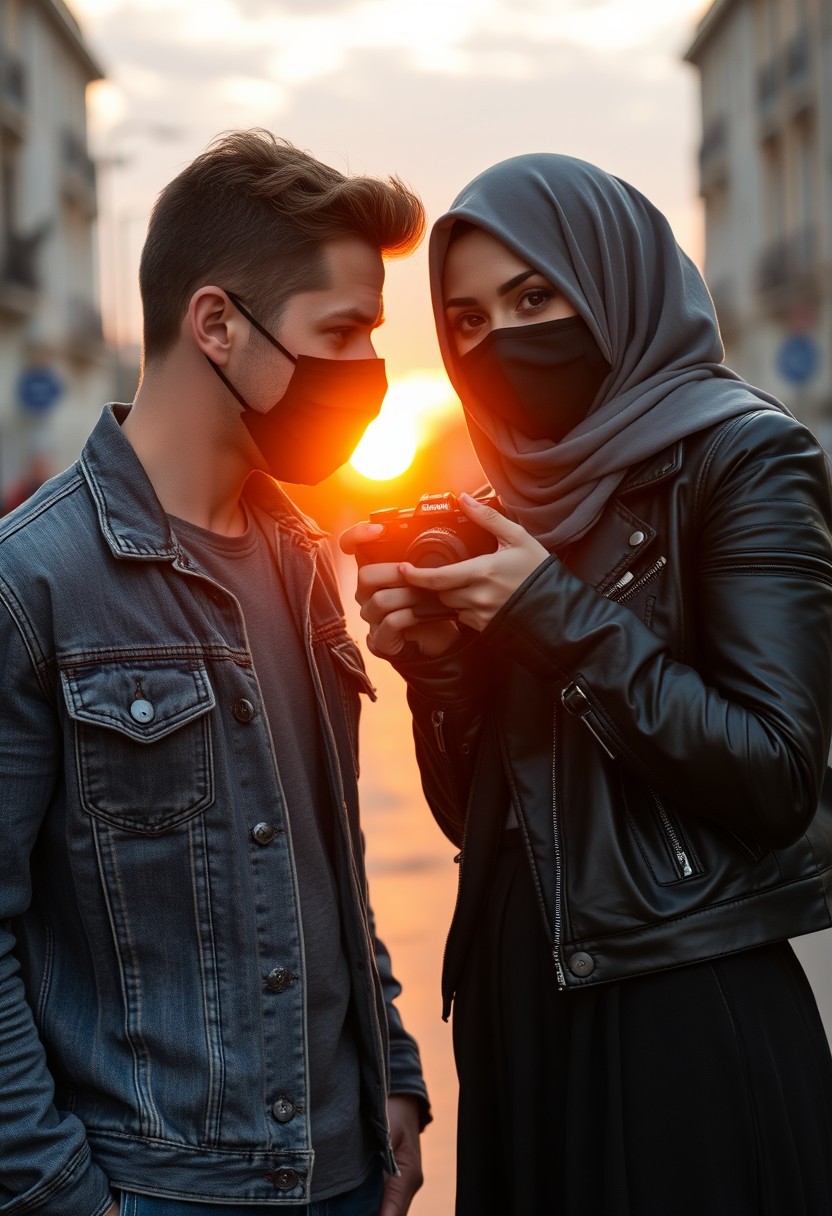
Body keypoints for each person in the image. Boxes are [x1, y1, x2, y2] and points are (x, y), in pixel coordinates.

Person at [341, 153, 832, 1215]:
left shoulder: (744, 459)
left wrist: (548, 615)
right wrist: (439, 669)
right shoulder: (504, 502)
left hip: (677, 1008)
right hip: (520, 1000)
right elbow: (483, 814)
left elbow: (775, 771)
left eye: (533, 296)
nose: (499, 340)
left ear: (613, 285)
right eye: (465, 319)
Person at [0, 129, 430, 1216]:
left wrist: (394, 1075)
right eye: (340, 334)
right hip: (157, 1192)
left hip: (346, 1174)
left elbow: (324, 857)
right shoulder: (34, 583)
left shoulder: (298, 558)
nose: (366, 378)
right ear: (216, 324)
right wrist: (62, 1193)